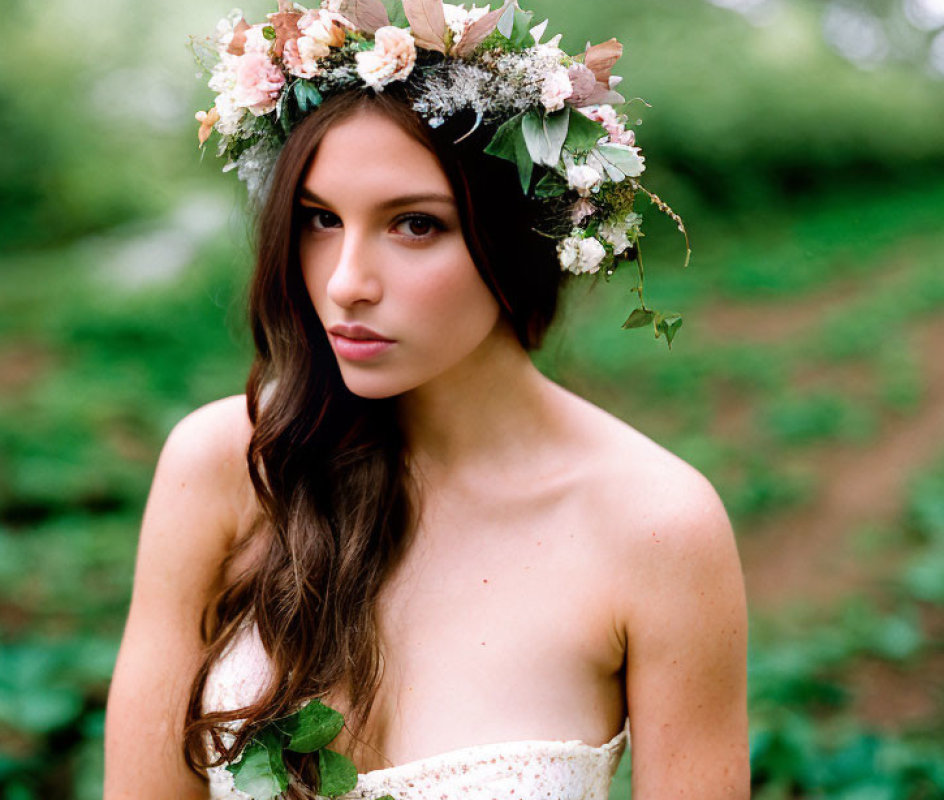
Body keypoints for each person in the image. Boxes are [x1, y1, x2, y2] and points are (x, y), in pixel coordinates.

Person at [104, 4, 748, 799]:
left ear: (524, 236)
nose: (345, 283)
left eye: (413, 224)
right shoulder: (228, 466)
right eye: (319, 220)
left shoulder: (656, 527)